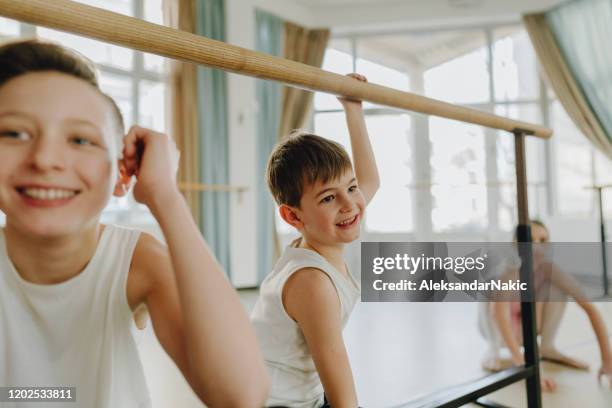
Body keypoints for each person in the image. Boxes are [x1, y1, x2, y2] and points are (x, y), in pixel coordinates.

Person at [0, 39, 269, 407]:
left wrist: (166, 197)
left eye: (80, 139)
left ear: (121, 175)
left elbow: (241, 395)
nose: (45, 159)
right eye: (14, 133)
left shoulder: (136, 262)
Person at [251, 73, 379, 407]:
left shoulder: (316, 242)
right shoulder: (312, 283)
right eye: (328, 198)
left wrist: (353, 109)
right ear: (293, 216)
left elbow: (369, 180)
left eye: (351, 188)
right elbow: (337, 379)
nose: (350, 204)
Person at [478, 220, 612, 390]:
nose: (536, 246)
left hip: (528, 328)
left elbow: (590, 309)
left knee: (556, 289)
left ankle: (548, 347)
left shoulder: (549, 269)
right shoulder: (509, 272)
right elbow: (498, 314)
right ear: (515, 245)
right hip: (500, 330)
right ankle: (493, 348)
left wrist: (607, 360)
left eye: (542, 240)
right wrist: (527, 368)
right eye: (529, 240)